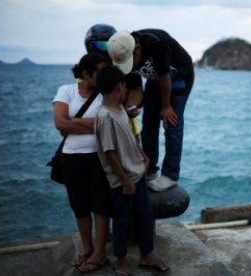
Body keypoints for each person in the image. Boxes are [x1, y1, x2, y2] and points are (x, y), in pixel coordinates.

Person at [95, 65, 169, 274]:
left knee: (144, 215)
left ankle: (147, 255)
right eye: (125, 86)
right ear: (118, 87)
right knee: (122, 220)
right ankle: (120, 260)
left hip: (136, 174)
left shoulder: (120, 109)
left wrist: (142, 155)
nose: (127, 90)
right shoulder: (105, 117)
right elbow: (109, 153)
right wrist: (125, 181)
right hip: (123, 181)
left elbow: (130, 136)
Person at [107, 29, 194, 191]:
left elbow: (165, 78)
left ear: (137, 49)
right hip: (156, 81)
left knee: (171, 123)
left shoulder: (155, 43)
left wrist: (166, 106)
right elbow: (136, 91)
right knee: (149, 123)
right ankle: (150, 170)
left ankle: (171, 175)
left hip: (179, 76)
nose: (130, 66)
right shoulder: (123, 51)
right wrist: (130, 108)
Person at [52, 53, 112, 273]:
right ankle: (87, 248)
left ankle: (99, 252)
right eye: (100, 70)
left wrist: (73, 121)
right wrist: (90, 124)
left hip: (99, 157)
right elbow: (59, 123)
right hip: (70, 158)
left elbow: (107, 122)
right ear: (86, 73)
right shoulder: (66, 90)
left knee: (101, 206)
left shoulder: (104, 92)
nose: (105, 75)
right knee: (80, 205)